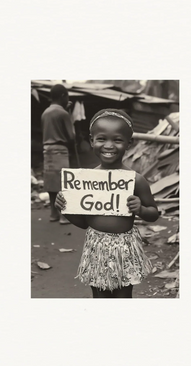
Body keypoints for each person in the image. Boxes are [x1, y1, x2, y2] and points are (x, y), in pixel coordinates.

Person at [55, 108, 159, 298]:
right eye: (102, 139)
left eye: (117, 140)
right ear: (92, 140)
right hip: (96, 247)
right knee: (100, 295)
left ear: (129, 143)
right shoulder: (85, 181)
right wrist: (65, 209)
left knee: (123, 295)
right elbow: (84, 223)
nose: (109, 145)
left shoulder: (135, 180)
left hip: (125, 249)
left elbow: (154, 213)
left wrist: (142, 209)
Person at [41, 84, 75, 224]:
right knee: (63, 183)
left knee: (51, 183)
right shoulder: (63, 114)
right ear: (63, 96)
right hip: (60, 150)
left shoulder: (45, 113)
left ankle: (53, 214)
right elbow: (71, 136)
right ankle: (64, 216)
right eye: (67, 96)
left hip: (47, 150)